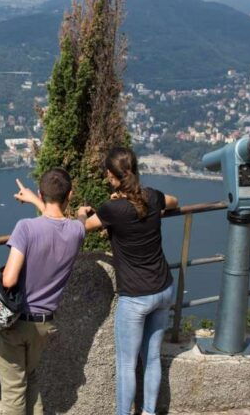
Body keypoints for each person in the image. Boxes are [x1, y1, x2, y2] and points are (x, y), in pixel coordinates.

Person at [77, 147, 179, 415]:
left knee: (126, 364)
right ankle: (148, 411)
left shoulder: (113, 209)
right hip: (164, 287)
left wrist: (80, 212)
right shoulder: (152, 197)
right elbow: (174, 201)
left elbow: (83, 228)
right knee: (152, 356)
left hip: (135, 296)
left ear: (111, 176)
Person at [0, 167, 85, 415]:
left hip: (17, 322)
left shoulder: (25, 228)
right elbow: (65, 222)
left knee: (14, 390)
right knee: (32, 377)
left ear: (40, 192)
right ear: (70, 193)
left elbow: (9, 279)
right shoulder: (76, 231)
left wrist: (33, 199)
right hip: (45, 325)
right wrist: (80, 213)